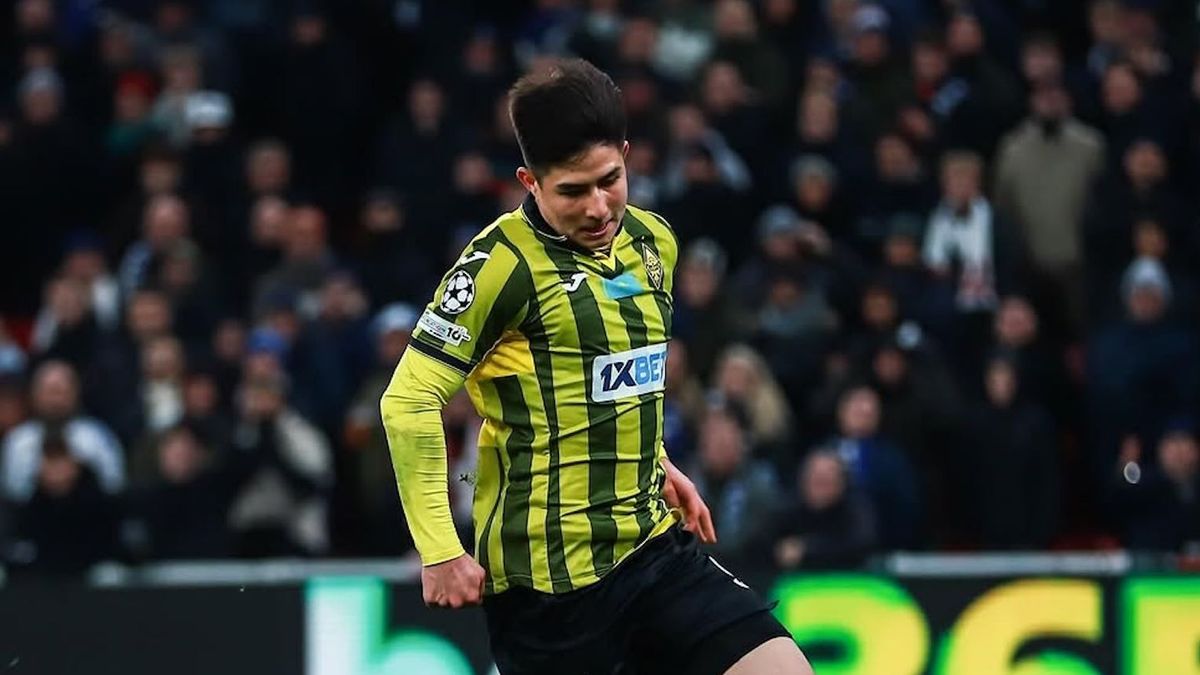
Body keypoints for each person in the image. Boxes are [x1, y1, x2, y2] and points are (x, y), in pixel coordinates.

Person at [381, 59, 811, 675]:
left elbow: (615, 376)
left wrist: (658, 462)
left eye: (610, 180)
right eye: (572, 191)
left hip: (652, 548)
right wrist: (439, 550)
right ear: (530, 181)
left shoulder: (653, 242)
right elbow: (408, 401)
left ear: (628, 156)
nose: (598, 207)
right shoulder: (498, 267)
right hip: (549, 591)